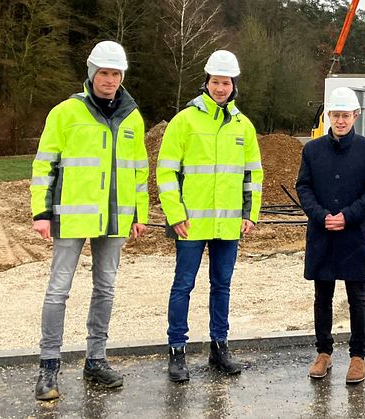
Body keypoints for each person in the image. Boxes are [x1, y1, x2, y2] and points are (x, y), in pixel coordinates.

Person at [30, 40, 149, 400]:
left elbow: (139, 171)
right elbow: (44, 164)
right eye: (104, 73)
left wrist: (139, 213)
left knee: (105, 289)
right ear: (91, 73)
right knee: (58, 290)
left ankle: (95, 359)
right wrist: (41, 211)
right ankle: (48, 366)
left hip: (115, 218)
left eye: (115, 74)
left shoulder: (132, 116)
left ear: (122, 76)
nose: (109, 80)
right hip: (71, 216)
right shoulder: (66, 112)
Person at [157, 50, 262, 382]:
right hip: (191, 223)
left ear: (234, 85)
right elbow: (166, 171)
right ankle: (177, 351)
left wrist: (250, 214)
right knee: (183, 286)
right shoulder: (184, 121)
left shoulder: (244, 126)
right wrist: (174, 214)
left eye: (226, 82)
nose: (221, 88)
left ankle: (220, 348)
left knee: (222, 286)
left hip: (229, 224)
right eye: (216, 82)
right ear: (206, 82)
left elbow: (253, 175)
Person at [296, 87, 365, 384]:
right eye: (335, 115)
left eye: (346, 115)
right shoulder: (312, 150)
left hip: (353, 235)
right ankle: (323, 353)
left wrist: (348, 216)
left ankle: (358, 357)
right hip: (322, 235)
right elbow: (303, 187)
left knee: (357, 296)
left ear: (356, 116)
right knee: (322, 296)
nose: (341, 121)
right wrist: (321, 216)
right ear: (328, 116)